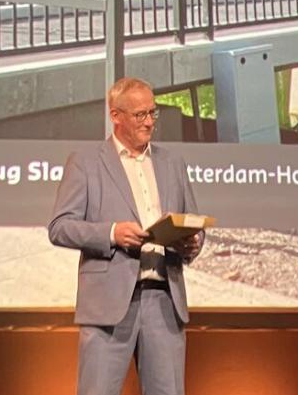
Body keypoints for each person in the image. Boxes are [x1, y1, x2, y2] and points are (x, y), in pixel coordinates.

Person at [48, 77, 205, 395]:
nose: (149, 122)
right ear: (115, 115)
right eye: (140, 115)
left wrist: (192, 242)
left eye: (153, 113)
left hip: (164, 299)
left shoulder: (172, 163)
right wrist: (111, 233)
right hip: (109, 302)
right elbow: (60, 227)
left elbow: (192, 221)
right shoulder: (87, 163)